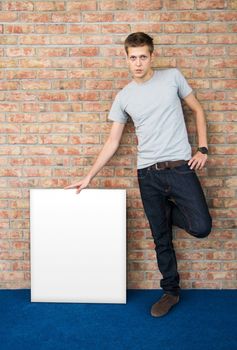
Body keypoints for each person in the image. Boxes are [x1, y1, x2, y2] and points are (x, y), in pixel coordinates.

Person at [65, 32, 212, 317]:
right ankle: (171, 292)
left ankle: (166, 213)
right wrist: (89, 176)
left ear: (151, 56)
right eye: (132, 58)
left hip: (180, 168)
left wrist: (203, 148)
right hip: (148, 175)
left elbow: (197, 109)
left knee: (201, 226)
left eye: (143, 56)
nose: (138, 63)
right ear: (126, 59)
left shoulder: (172, 77)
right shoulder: (124, 96)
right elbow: (112, 142)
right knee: (160, 238)